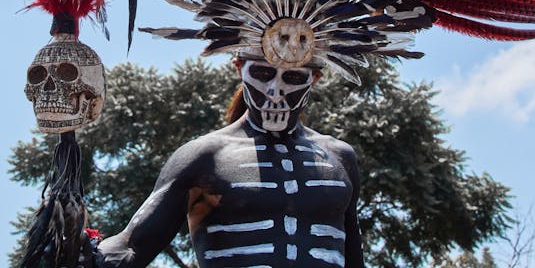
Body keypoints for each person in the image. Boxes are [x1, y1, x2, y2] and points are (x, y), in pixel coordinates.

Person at [96, 60, 365, 268]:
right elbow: (132, 247)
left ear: (314, 78)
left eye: (293, 77)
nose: (275, 92)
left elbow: (353, 259)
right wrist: (76, 248)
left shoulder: (340, 157)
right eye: (262, 73)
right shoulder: (204, 157)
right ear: (239, 68)